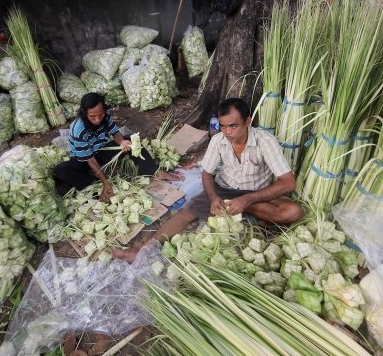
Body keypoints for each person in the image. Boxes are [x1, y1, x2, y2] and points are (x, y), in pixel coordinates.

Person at [112, 97, 303, 262]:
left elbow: (288, 183)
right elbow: (207, 173)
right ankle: (142, 250)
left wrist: (247, 200)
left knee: (293, 212)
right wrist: (213, 198)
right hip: (224, 189)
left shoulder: (265, 141)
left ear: (248, 121)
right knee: (185, 214)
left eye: (233, 126)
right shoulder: (218, 140)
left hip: (255, 194)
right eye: (224, 126)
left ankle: (243, 208)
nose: (228, 132)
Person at [54, 92, 179, 202]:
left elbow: (115, 133)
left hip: (102, 151)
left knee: (130, 139)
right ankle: (94, 182)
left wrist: (121, 142)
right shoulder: (78, 129)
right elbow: (90, 159)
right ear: (84, 113)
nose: (97, 119)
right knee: (61, 170)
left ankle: (155, 171)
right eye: (92, 116)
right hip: (84, 160)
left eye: (100, 115)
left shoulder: (105, 116)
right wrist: (105, 182)